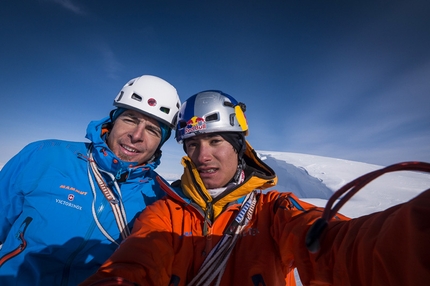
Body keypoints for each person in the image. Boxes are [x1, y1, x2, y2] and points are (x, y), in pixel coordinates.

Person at [81, 90, 430, 286]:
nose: (203, 156)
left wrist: (417, 234)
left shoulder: (274, 210)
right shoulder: (165, 212)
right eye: (192, 145)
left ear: (239, 147)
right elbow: (132, 266)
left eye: (215, 140)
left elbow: (341, 248)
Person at [0, 75, 181, 285]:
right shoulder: (44, 156)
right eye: (130, 119)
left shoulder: (159, 198)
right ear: (113, 120)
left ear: (161, 143)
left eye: (152, 130)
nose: (137, 135)